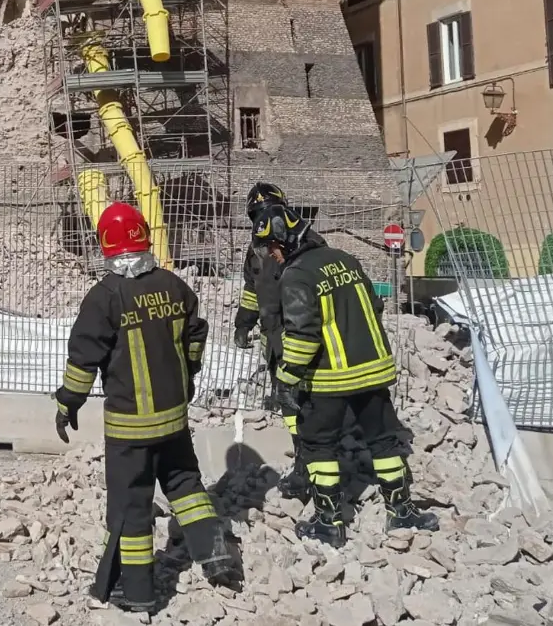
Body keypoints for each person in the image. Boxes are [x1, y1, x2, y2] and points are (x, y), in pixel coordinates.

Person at [53, 202, 233, 613]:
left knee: (131, 506)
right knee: (186, 486)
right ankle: (218, 557)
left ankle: (137, 592)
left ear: (105, 244)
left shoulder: (104, 297)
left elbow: (83, 359)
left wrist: (67, 403)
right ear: (144, 235)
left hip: (130, 430)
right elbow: (195, 337)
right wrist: (187, 375)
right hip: (174, 419)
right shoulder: (173, 286)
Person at [253, 203, 439, 548]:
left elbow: (303, 333)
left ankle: (328, 522)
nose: (272, 255)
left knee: (319, 445)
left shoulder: (297, 275)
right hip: (374, 370)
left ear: (286, 240)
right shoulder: (344, 259)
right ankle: (402, 510)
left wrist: (288, 379)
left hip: (330, 379)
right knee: (384, 440)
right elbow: (376, 306)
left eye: (273, 247)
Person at [233, 182, 310, 499]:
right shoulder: (257, 251)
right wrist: (243, 323)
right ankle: (305, 460)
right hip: (278, 336)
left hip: (304, 332)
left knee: (305, 400)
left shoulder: (301, 243)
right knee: (290, 402)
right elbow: (253, 292)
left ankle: (312, 462)